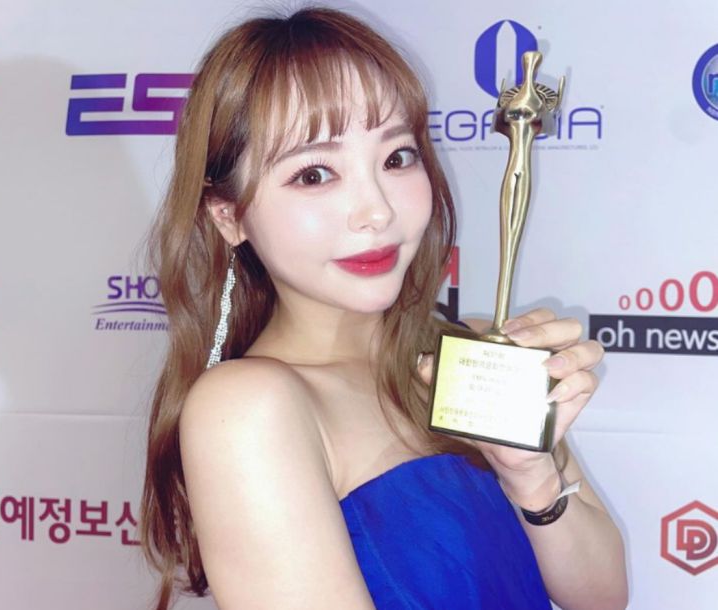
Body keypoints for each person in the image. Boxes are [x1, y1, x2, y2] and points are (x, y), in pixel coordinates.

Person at [140, 7, 628, 610]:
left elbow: (602, 597)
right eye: (314, 174)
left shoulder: (474, 352)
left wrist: (532, 479)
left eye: (397, 158)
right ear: (229, 216)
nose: (377, 211)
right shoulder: (248, 409)